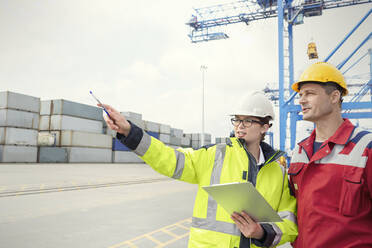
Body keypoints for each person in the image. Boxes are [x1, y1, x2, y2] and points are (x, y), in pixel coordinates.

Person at [101, 91, 297, 248]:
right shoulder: (214, 155)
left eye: (248, 121)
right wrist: (129, 132)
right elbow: (170, 159)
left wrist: (262, 234)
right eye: (237, 120)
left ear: (265, 126)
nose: (240, 126)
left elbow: (289, 222)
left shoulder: (278, 170)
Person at [288, 62, 372, 247]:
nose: (301, 100)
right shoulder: (300, 152)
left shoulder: (366, 148)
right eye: (300, 95)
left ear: (334, 97)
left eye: (309, 93)